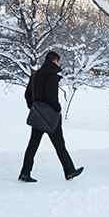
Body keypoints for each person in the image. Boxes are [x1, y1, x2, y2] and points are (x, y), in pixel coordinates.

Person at [19, 51, 84, 183]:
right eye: (58, 61)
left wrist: (34, 106)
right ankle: (69, 171)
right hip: (50, 116)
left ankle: (25, 173)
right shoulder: (52, 76)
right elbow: (51, 97)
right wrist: (57, 109)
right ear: (54, 61)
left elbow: (27, 95)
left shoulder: (35, 75)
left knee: (33, 145)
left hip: (38, 115)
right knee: (59, 144)